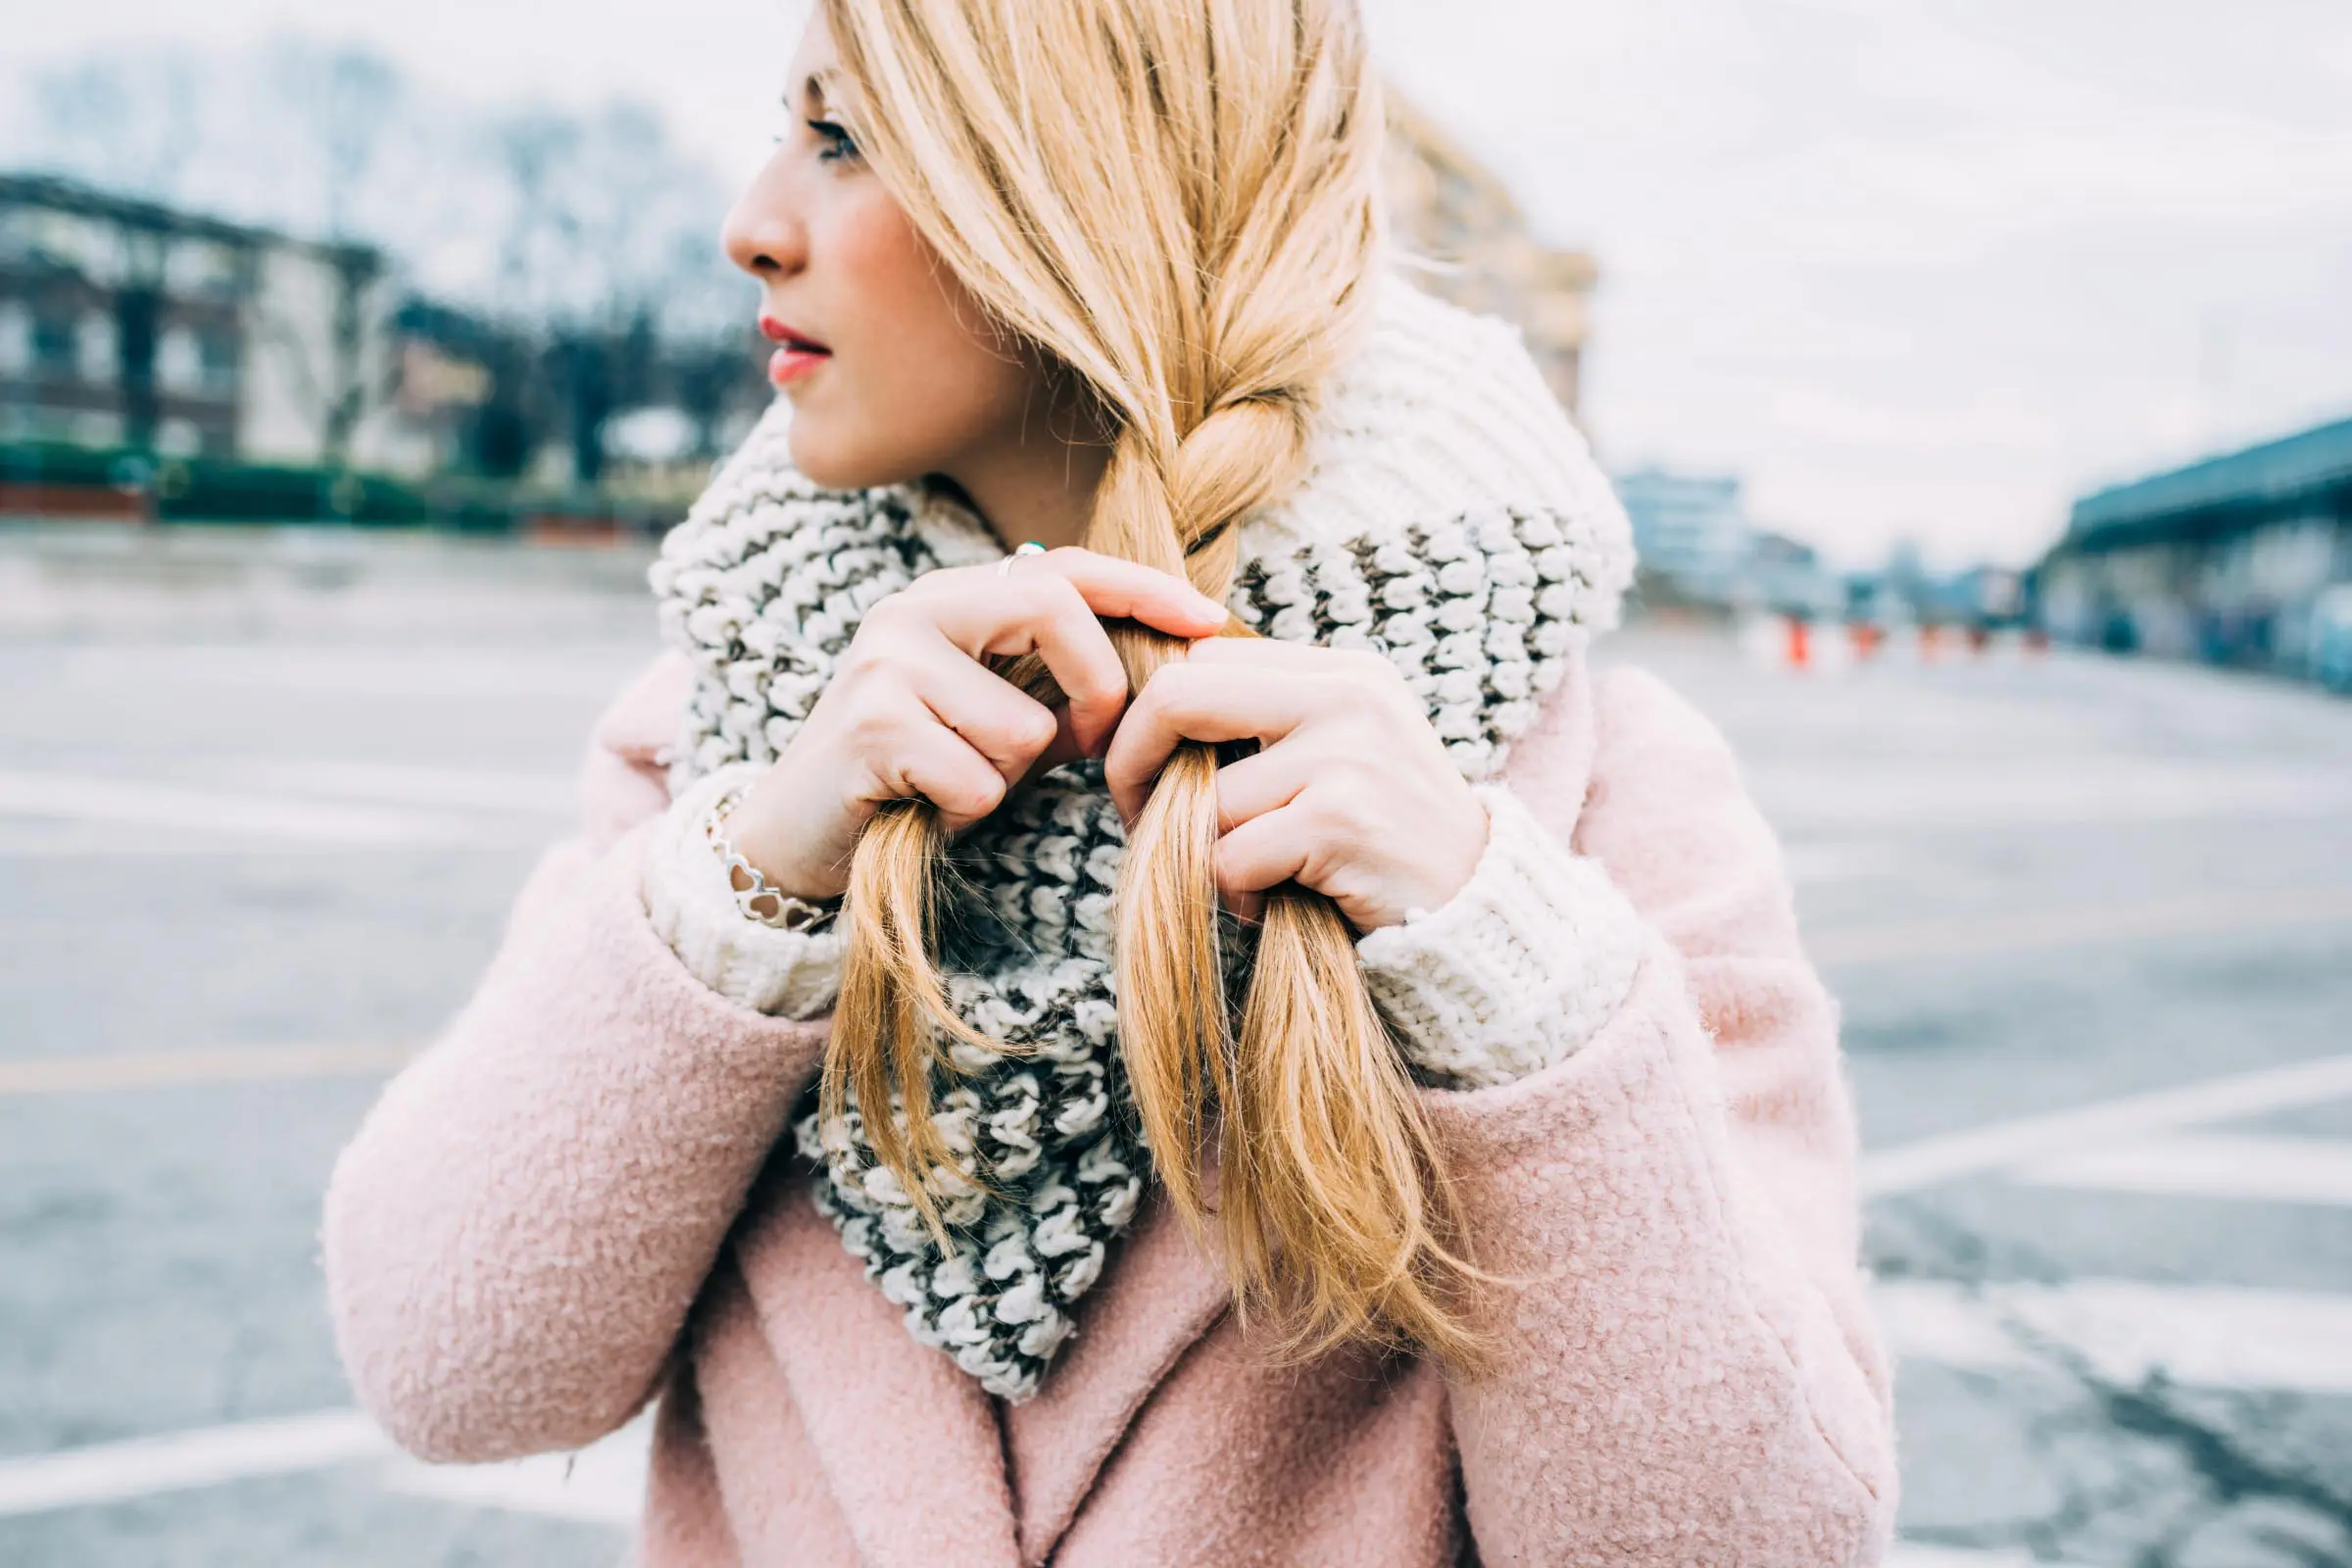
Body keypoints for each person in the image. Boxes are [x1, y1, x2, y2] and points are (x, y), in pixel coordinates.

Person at [321, 1, 1898, 1561]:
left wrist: (1497, 965)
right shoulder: (726, 744)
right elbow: (452, 1376)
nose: (751, 224)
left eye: (845, 138)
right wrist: (748, 889)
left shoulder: (1594, 797)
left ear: (1084, 192)